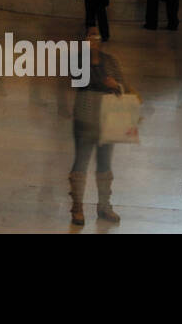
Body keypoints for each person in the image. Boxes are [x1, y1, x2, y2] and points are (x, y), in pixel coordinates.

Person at [68, 27, 127, 226]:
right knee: (81, 161)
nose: (93, 40)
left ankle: (104, 205)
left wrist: (116, 86)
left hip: (107, 115)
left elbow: (122, 86)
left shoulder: (110, 61)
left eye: (96, 37)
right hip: (85, 115)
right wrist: (106, 83)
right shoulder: (77, 59)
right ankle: (77, 207)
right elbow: (79, 80)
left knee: (104, 162)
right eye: (89, 37)